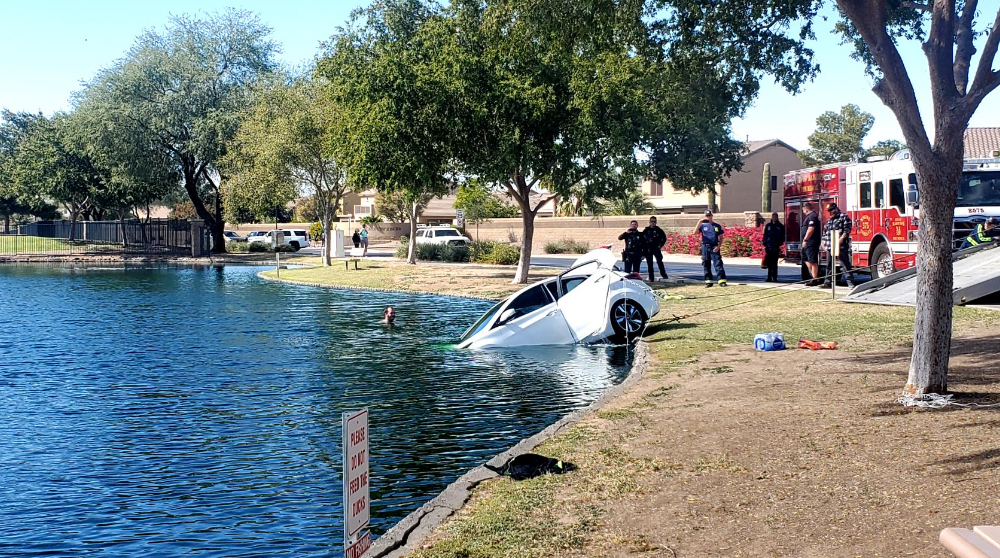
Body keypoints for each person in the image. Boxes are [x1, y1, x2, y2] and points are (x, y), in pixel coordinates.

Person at [821, 202, 855, 288]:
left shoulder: (843, 217)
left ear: (836, 209)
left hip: (841, 245)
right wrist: (823, 242)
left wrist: (841, 239)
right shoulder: (829, 220)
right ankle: (827, 282)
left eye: (831, 210)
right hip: (830, 245)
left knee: (844, 264)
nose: (830, 212)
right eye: (829, 211)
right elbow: (825, 232)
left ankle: (850, 283)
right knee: (829, 265)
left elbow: (847, 230)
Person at [693, 209, 727, 287]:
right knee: (706, 264)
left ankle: (722, 281)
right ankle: (708, 281)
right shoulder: (702, 226)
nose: (708, 217)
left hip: (714, 246)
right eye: (706, 216)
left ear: (712, 216)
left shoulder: (717, 226)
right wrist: (699, 222)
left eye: (709, 215)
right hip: (705, 246)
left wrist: (718, 246)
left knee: (718, 264)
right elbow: (694, 232)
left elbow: (721, 237)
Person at [800, 202, 821, 286]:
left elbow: (811, 229)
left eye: (803, 210)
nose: (803, 211)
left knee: (813, 261)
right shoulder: (809, 217)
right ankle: (812, 275)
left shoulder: (812, 216)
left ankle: (815, 279)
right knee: (805, 259)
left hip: (811, 242)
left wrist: (805, 239)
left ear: (806, 209)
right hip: (807, 243)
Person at [642, 216, 668, 281]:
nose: (653, 223)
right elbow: (642, 239)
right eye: (651, 221)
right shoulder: (646, 230)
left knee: (659, 261)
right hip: (648, 248)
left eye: (654, 221)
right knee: (649, 263)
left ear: (656, 222)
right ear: (649, 222)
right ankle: (651, 277)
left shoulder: (659, 230)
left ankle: (664, 274)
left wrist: (660, 245)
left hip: (656, 247)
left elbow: (664, 238)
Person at [762, 212, 785, 282]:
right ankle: (769, 277)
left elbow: (782, 236)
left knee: (774, 263)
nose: (774, 218)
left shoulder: (780, 226)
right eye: (773, 217)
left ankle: (774, 277)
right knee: (769, 263)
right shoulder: (768, 225)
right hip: (768, 246)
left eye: (775, 217)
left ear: (777, 218)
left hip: (776, 247)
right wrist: (764, 243)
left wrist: (779, 244)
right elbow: (765, 235)